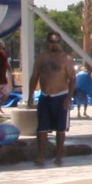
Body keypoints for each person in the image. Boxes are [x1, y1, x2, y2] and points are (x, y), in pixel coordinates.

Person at [33, 37, 75, 165]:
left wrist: (68, 97)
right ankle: (41, 155)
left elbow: (72, 79)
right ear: (47, 43)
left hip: (61, 96)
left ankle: (59, 156)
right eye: (51, 42)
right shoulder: (42, 58)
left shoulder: (66, 59)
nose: (54, 44)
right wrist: (30, 96)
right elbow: (34, 76)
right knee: (42, 128)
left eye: (57, 42)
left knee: (60, 129)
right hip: (45, 96)